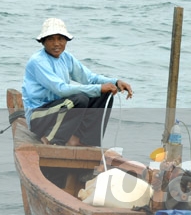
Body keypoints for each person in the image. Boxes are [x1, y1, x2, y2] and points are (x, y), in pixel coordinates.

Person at [21, 18, 133, 146]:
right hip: (38, 116)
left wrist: (115, 82)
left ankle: (85, 141)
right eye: (51, 39)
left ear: (66, 41)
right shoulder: (38, 61)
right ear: (43, 41)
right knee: (80, 99)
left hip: (57, 110)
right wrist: (98, 88)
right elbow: (61, 89)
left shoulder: (66, 57)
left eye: (60, 39)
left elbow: (89, 78)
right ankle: (51, 138)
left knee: (103, 94)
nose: (56, 43)